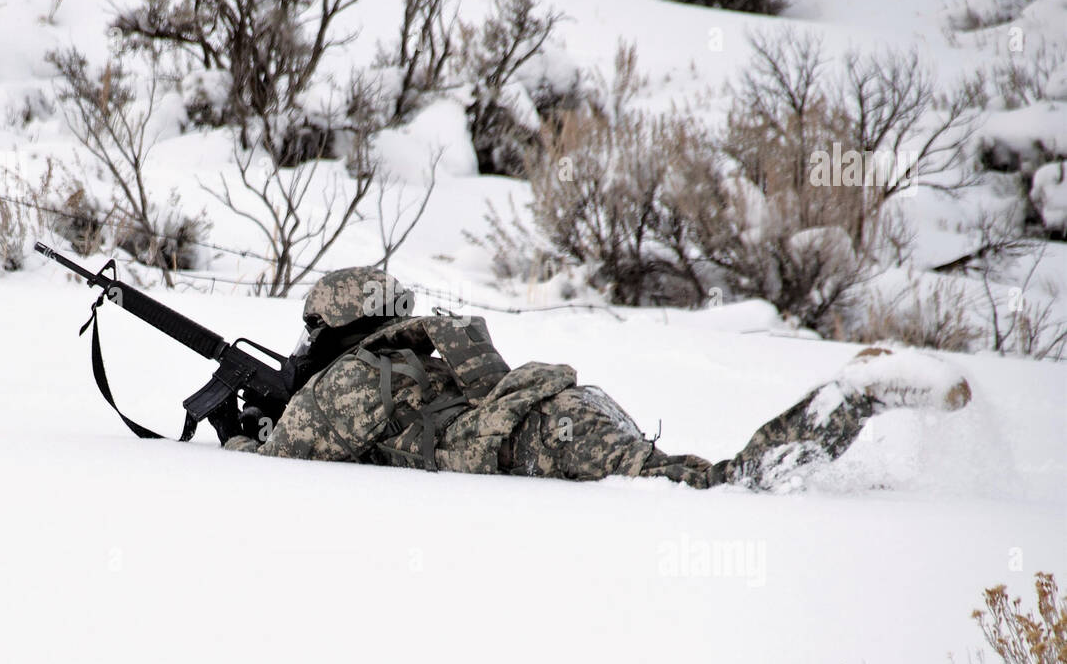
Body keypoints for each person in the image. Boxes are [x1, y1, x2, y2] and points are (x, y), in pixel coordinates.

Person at [218, 267, 971, 489]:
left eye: (315, 329)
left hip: (538, 436)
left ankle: (852, 400)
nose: (306, 344)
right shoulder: (409, 352)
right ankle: (844, 421)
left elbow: (284, 468)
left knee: (712, 492)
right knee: (682, 477)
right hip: (562, 408)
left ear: (341, 328)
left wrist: (237, 432)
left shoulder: (349, 378)